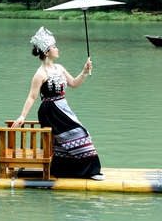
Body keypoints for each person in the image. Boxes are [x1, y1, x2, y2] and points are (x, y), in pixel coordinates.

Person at [11, 27, 104, 180]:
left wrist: (84, 71)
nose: (57, 49)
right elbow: (32, 97)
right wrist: (22, 116)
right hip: (50, 110)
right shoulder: (40, 74)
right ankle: (91, 170)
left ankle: (66, 170)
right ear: (46, 52)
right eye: (54, 47)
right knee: (78, 132)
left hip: (63, 107)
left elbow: (74, 83)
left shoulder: (59, 68)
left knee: (74, 134)